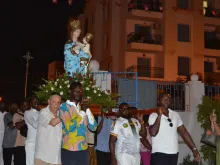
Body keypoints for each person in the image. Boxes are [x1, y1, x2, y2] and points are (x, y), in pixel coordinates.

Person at [149, 92, 200, 165]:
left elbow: (184, 132)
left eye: (168, 99)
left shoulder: (175, 115)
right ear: (158, 101)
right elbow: (153, 133)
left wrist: (194, 149)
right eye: (164, 98)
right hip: (159, 154)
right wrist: (159, 115)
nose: (167, 100)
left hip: (173, 153)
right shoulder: (153, 116)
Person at [59, 81, 97, 165]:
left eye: (80, 91)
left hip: (83, 150)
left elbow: (94, 127)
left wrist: (87, 110)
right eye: (76, 91)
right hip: (69, 150)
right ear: (70, 92)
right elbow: (70, 127)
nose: (79, 93)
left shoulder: (82, 106)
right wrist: (82, 112)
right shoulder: (64, 107)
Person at [35, 93, 62, 165]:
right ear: (49, 102)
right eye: (54, 102)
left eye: (58, 102)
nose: (56, 104)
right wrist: (66, 113)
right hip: (43, 157)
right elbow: (53, 123)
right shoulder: (43, 112)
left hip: (56, 157)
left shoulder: (60, 113)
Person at [24, 96, 40, 165]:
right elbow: (35, 125)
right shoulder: (27, 113)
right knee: (30, 163)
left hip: (39, 143)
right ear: (30, 103)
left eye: (37, 101)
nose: (36, 103)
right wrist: (42, 115)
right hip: (31, 142)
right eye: (34, 101)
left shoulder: (40, 112)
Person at [13, 100, 30, 165]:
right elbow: (18, 126)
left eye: (27, 105)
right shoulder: (17, 114)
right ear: (21, 106)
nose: (25, 106)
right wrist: (27, 117)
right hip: (20, 144)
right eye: (24, 105)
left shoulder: (31, 113)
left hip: (29, 144)